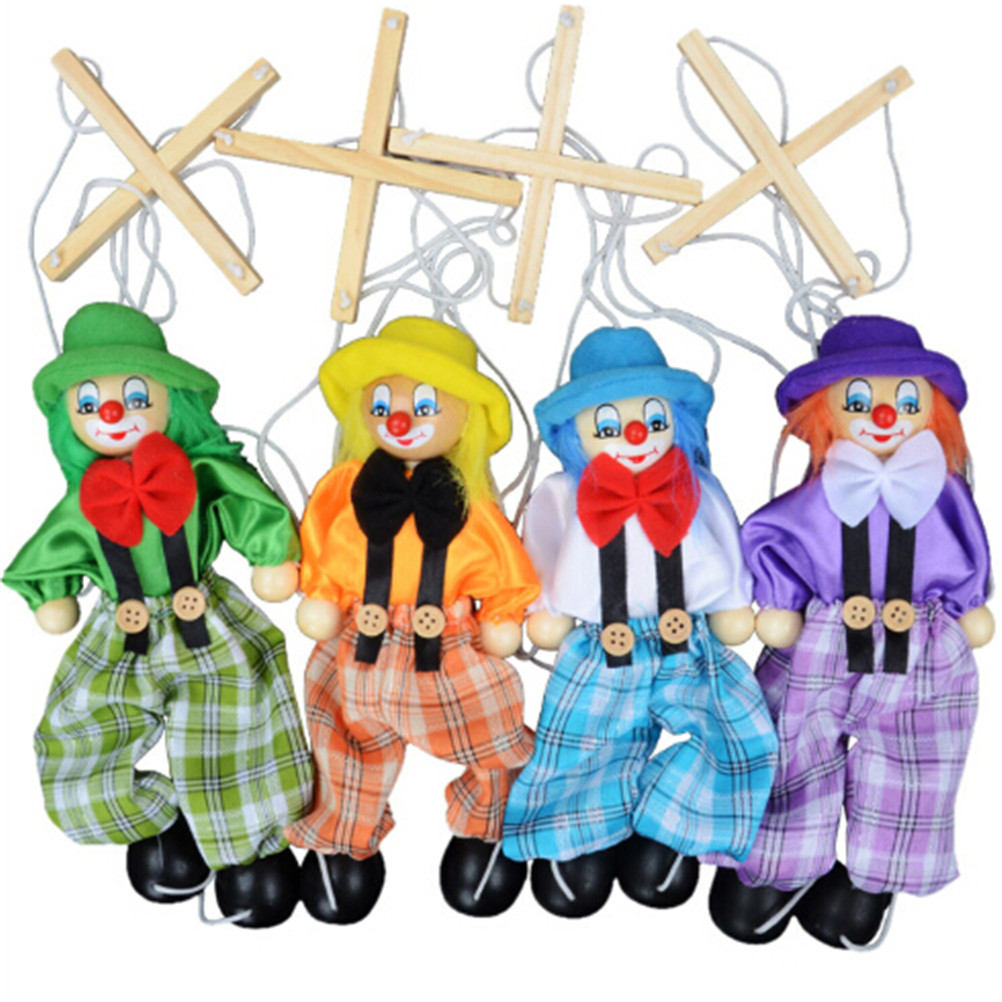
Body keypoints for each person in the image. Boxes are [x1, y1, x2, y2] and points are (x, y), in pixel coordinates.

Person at [4, 302, 313, 928]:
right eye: (89, 403)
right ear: (68, 419)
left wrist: (269, 555)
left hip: (207, 620)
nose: (112, 414)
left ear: (173, 403)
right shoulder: (84, 499)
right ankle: (163, 820)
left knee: (238, 715)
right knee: (76, 731)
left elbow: (242, 503)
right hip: (118, 633)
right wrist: (52, 594)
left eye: (136, 397)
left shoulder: (198, 472)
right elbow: (54, 549)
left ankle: (251, 849)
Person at [709, 315, 994, 949]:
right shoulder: (820, 491)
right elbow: (778, 534)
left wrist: (969, 602)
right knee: (789, 739)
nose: (885, 416)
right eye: (860, 401)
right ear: (825, 412)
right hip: (820, 637)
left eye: (906, 401)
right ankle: (777, 861)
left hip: (924, 647)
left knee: (916, 754)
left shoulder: (945, 492)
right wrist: (781, 601)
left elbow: (967, 542)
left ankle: (879, 877)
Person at [502, 326, 778, 917]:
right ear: (574, 434)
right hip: (603, 643)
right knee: (584, 741)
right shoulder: (562, 493)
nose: (635, 436)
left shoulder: (697, 487)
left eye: (653, 420)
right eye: (609, 426)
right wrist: (547, 612)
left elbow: (725, 540)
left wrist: (732, 603)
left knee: (738, 732)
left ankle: (674, 824)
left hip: (691, 640)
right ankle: (576, 835)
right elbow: (542, 547)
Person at [287, 316, 539, 921]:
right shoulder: (346, 488)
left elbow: (501, 559)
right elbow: (321, 540)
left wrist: (503, 612)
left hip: (448, 645)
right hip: (359, 641)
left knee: (494, 732)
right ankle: (345, 834)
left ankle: (489, 825)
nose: (399, 419)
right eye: (383, 404)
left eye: (423, 405)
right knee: (342, 736)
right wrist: (321, 594)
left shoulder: (470, 502)